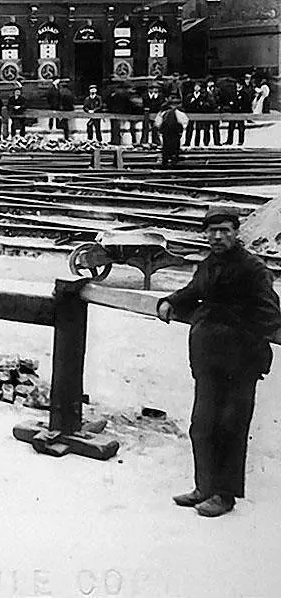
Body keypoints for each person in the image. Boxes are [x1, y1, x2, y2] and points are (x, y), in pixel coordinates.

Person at [158, 207, 281, 517]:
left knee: (231, 427)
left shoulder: (253, 268)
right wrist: (170, 301)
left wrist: (242, 342)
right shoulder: (208, 265)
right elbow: (193, 292)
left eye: (225, 230)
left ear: (236, 233)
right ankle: (204, 487)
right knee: (201, 424)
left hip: (240, 364)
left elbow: (270, 314)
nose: (218, 236)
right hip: (207, 358)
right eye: (212, 231)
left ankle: (225, 495)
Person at [155, 94, 188, 168]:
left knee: (166, 147)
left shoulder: (163, 112)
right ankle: (173, 160)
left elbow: (157, 123)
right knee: (175, 147)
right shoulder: (178, 112)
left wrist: (160, 129)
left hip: (166, 132)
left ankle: (166, 161)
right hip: (175, 132)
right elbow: (185, 121)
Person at [225, 79, 252, 146]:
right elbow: (230, 100)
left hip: (241, 112)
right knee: (231, 127)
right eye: (237, 84)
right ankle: (229, 140)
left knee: (241, 127)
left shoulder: (244, 93)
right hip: (233, 112)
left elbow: (246, 103)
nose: (238, 85)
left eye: (239, 84)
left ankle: (241, 141)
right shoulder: (233, 92)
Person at [183, 82, 207, 146]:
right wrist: (191, 102)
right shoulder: (190, 96)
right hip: (191, 114)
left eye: (198, 87)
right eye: (196, 86)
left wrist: (201, 104)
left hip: (199, 114)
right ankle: (187, 142)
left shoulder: (202, 96)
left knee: (198, 129)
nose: (197, 88)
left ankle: (197, 143)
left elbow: (205, 105)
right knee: (189, 129)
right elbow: (186, 104)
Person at [204, 79, 222, 146]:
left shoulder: (217, 90)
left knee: (216, 128)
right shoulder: (204, 91)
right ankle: (206, 142)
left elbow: (221, 99)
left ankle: (217, 141)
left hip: (215, 111)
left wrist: (219, 107)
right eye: (209, 82)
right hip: (207, 111)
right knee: (206, 128)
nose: (211, 83)